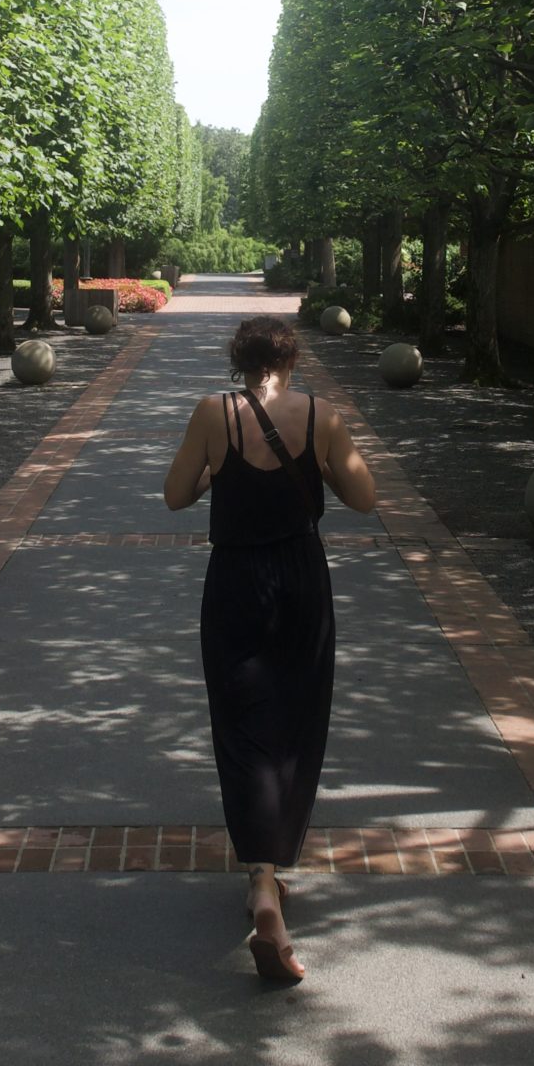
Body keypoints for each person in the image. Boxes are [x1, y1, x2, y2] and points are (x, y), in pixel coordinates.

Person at [162, 315, 377, 984]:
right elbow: (366, 498)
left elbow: (175, 496)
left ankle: (259, 879)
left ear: (238, 359)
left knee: (243, 723)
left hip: (234, 581)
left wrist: (216, 478)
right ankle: (274, 870)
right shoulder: (323, 416)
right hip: (301, 580)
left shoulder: (212, 412)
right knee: (297, 718)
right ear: (291, 355)